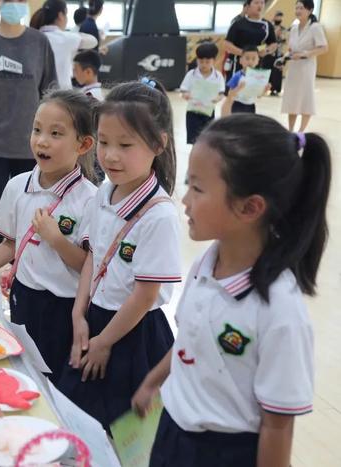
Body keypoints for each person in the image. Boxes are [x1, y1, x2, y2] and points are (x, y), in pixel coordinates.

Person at [133, 114, 330, 467]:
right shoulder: (206, 263)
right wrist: (154, 380)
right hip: (173, 431)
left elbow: (278, 428)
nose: (184, 200)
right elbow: (189, 340)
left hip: (222, 454)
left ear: (250, 207)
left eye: (197, 188)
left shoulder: (279, 312)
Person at [56, 79, 180, 433]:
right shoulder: (103, 193)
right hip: (96, 320)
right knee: (79, 416)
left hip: (135, 334)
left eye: (125, 144)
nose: (110, 155)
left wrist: (105, 341)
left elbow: (145, 295)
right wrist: (79, 313)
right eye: (105, 143)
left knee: (125, 432)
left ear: (158, 144)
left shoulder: (159, 215)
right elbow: (94, 256)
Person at [0, 89, 98, 382]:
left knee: (61, 380)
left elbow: (89, 266)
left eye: (56, 133)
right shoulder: (18, 186)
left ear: (83, 144)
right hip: (24, 299)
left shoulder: (90, 200)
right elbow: (11, 244)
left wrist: (56, 239)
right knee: (27, 372)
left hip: (65, 308)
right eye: (37, 129)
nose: (42, 140)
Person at [0, 0, 57, 260]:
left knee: (28, 205)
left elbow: (50, 93)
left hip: (30, 142)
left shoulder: (39, 43)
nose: (15, 4)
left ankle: (22, 259)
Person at [281, 0, 328, 132]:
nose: (298, 11)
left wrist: (305, 54)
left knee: (306, 100)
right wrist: (284, 57)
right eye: (296, 8)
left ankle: (301, 132)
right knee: (292, 101)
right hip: (294, 69)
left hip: (307, 68)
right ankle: (290, 130)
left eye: (301, 8)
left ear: (310, 10)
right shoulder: (294, 28)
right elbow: (291, 49)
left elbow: (324, 48)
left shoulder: (315, 27)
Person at [30, 0, 97, 90]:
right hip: (61, 94)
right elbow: (93, 41)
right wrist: (73, 35)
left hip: (36, 92)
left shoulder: (32, 37)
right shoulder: (65, 38)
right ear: (61, 15)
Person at [180, 42, 225, 144]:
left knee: (207, 139)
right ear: (197, 60)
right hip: (193, 112)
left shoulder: (218, 76)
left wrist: (217, 98)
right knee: (194, 140)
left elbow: (221, 93)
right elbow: (183, 90)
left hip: (208, 112)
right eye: (201, 61)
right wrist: (185, 95)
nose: (204, 64)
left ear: (214, 61)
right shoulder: (191, 74)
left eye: (207, 62)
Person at [223, 0, 277, 83]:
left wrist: (266, 51)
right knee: (234, 90)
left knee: (252, 90)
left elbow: (273, 44)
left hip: (256, 63)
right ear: (248, 6)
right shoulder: (238, 24)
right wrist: (244, 54)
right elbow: (227, 44)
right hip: (238, 62)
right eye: (256, 3)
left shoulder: (267, 25)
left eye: (262, 3)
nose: (260, 5)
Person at [222, 45, 268, 116]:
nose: (250, 61)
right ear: (240, 60)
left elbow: (258, 96)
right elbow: (229, 94)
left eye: (253, 59)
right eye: (247, 58)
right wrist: (238, 88)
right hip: (237, 105)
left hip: (251, 106)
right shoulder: (237, 76)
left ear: (258, 61)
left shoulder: (258, 77)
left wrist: (265, 90)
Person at [265, 11, 287, 96]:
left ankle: (275, 90)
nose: (279, 19)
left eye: (281, 17)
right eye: (278, 16)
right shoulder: (270, 27)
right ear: (274, 17)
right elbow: (267, 39)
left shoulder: (283, 29)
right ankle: (264, 88)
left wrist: (281, 36)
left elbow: (285, 40)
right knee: (267, 71)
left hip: (278, 53)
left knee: (277, 72)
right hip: (269, 53)